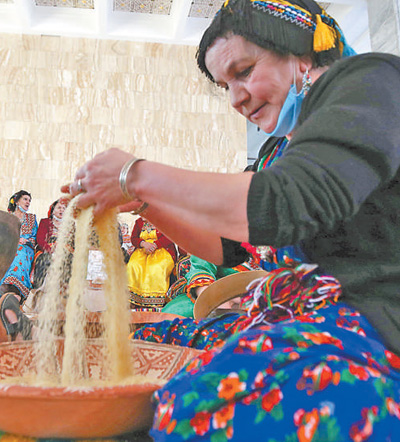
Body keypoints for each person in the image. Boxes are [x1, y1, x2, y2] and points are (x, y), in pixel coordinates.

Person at [62, 0, 400, 438]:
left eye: (243, 71)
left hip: (374, 330)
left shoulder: (373, 82)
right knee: (149, 343)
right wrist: (143, 204)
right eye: (225, 85)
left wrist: (136, 175)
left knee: (198, 408)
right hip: (296, 318)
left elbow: (288, 202)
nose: (236, 99)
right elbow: (228, 246)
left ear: (303, 51)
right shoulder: (278, 150)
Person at [127, 217, 177, 310]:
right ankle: (134, 301)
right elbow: (134, 238)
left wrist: (155, 245)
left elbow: (170, 236)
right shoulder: (138, 222)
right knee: (133, 265)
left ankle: (156, 303)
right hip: (142, 250)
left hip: (162, 250)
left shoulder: (165, 219)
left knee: (156, 268)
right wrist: (143, 244)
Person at [0, 190, 38, 302]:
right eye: (25, 199)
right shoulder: (7, 218)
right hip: (7, 247)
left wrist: (24, 241)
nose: (28, 202)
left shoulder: (31, 218)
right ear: (16, 201)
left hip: (25, 248)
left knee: (19, 252)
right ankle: (4, 288)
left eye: (29, 201)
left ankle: (13, 288)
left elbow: (34, 239)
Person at [31, 197, 68, 289]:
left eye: (64, 208)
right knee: (45, 259)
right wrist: (51, 251)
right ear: (52, 210)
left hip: (64, 251)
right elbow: (40, 240)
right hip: (46, 251)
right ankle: (38, 288)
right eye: (59, 208)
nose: (62, 210)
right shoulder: (45, 222)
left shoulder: (69, 226)